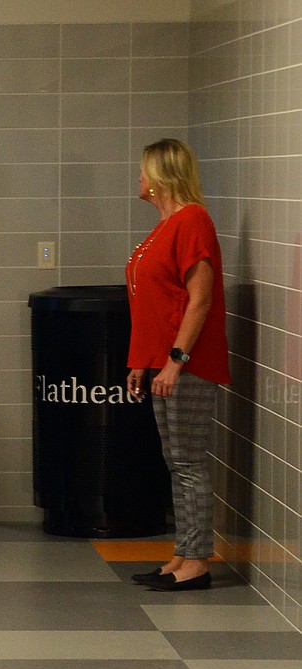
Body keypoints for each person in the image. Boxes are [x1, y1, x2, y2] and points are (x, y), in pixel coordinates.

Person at [128, 138, 230, 592]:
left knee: (189, 461)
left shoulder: (192, 220)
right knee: (177, 461)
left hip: (187, 365)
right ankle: (183, 554)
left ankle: (198, 563)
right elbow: (156, 302)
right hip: (163, 362)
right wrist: (142, 362)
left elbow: (200, 298)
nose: (139, 179)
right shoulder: (165, 225)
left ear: (162, 174)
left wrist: (174, 361)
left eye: (144, 170)